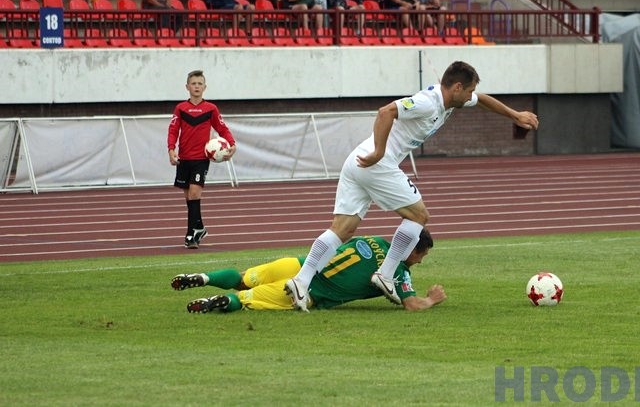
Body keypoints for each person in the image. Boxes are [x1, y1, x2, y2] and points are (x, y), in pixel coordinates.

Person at [284, 61, 539, 311]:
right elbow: (386, 112)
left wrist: (515, 115)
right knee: (419, 215)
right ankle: (385, 274)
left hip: (357, 162)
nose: (472, 96)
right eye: (469, 90)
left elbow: (482, 99)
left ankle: (301, 281)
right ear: (457, 87)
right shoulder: (427, 102)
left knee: (343, 229)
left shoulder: (451, 99)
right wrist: (379, 152)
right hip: (376, 163)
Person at [172, 230, 446, 313]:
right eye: (422, 254)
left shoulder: (373, 240)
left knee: (243, 278)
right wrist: (432, 299)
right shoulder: (398, 271)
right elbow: (411, 304)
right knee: (245, 300)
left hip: (297, 265)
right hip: (307, 292)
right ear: (411, 251)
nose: (421, 261)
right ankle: (214, 304)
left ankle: (205, 277)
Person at [167, 70, 236, 249]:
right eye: (193, 83)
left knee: (195, 193)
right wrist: (171, 150)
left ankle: (191, 235)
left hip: (201, 159)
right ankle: (199, 227)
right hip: (184, 158)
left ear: (205, 87)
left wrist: (232, 144)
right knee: (189, 197)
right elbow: (173, 130)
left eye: (200, 84)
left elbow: (222, 128)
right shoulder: (180, 108)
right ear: (187, 87)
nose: (196, 86)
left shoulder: (211, 109)